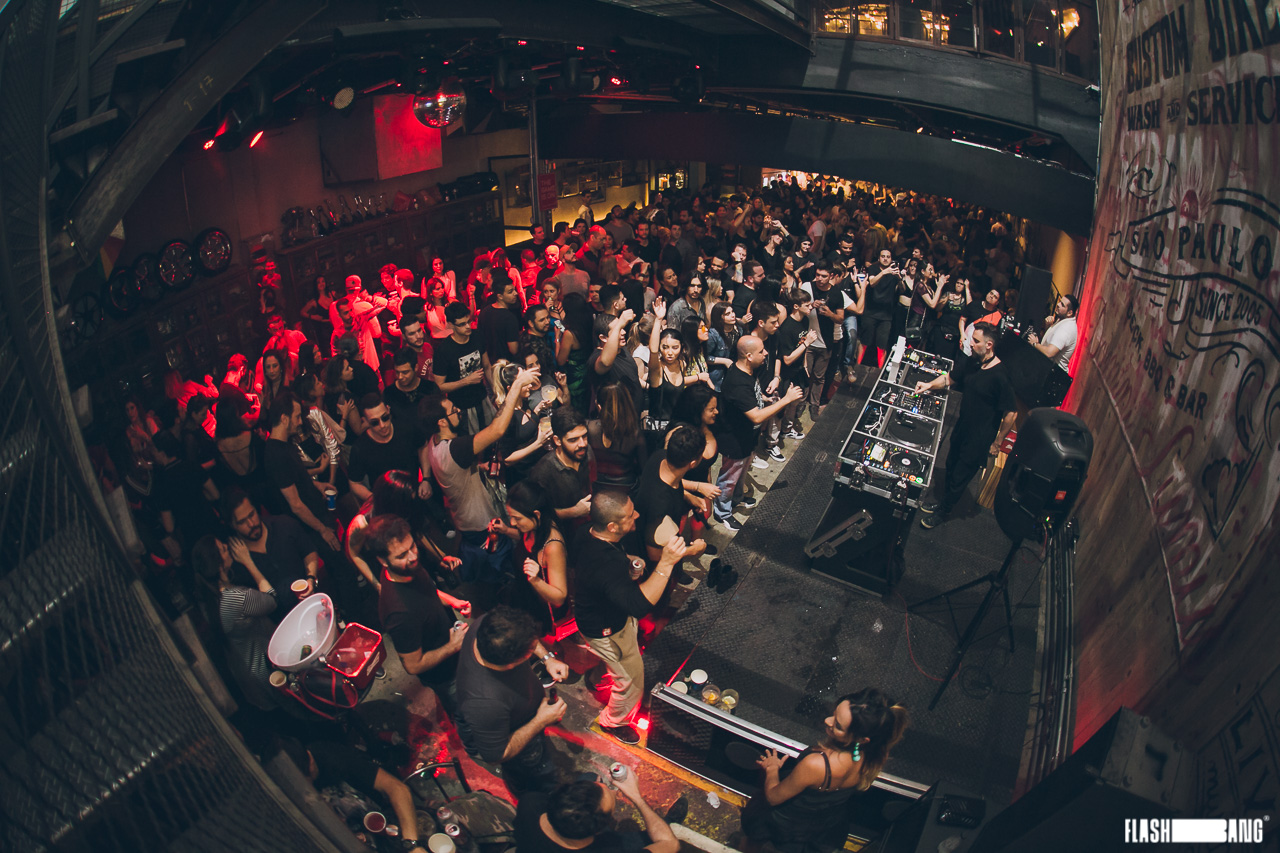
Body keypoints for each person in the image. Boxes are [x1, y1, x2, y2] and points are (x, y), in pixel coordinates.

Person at [571, 491, 689, 744]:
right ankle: (615, 722)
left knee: (616, 662)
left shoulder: (586, 533)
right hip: (605, 628)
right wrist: (667, 563)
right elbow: (638, 605)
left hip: (594, 615)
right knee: (632, 680)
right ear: (612, 527)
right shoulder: (608, 564)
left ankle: (600, 677)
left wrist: (626, 560)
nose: (636, 515)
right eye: (629, 515)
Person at [743, 689, 909, 853]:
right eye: (834, 713)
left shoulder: (817, 764)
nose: (827, 720)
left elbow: (773, 798)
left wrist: (772, 768)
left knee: (753, 837)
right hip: (824, 823)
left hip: (788, 819)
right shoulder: (876, 754)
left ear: (861, 739)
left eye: (838, 725)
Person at [419, 368, 538, 581]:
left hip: (463, 518)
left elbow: (452, 468)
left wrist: (478, 468)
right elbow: (497, 430)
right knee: (499, 566)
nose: (459, 411)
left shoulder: (434, 442)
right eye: (453, 410)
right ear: (441, 422)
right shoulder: (456, 448)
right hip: (480, 521)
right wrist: (517, 385)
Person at [369, 514, 473, 734]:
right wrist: (452, 646)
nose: (413, 556)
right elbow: (413, 665)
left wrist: (452, 601)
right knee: (463, 712)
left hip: (452, 650)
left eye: (412, 547)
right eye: (402, 555)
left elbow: (427, 590)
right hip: (444, 674)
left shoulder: (405, 569)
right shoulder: (399, 614)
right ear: (383, 561)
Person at [914, 322, 1018, 528]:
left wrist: (998, 442)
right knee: (951, 465)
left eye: (976, 341)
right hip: (962, 427)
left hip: (979, 438)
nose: (971, 343)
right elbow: (949, 379)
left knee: (960, 476)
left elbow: (1012, 413)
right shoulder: (973, 362)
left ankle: (944, 511)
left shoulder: (1000, 376)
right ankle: (943, 502)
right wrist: (929, 385)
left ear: (989, 345)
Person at [455, 605, 569, 792]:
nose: (534, 649)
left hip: (522, 714)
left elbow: (526, 637)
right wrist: (540, 720)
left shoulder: (489, 626)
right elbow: (496, 754)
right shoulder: (485, 703)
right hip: (517, 739)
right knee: (539, 777)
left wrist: (548, 658)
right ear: (512, 663)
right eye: (531, 651)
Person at [713, 337, 805, 532]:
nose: (766, 354)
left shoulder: (748, 371)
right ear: (748, 356)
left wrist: (764, 398)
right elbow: (755, 416)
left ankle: (737, 499)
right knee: (729, 478)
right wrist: (786, 400)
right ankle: (722, 512)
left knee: (741, 473)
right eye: (761, 351)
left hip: (747, 437)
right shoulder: (737, 382)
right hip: (734, 441)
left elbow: (751, 395)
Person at [279, 739, 428, 853]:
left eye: (307, 782)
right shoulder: (290, 788)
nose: (307, 789)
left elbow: (397, 788)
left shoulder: (329, 755)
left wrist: (412, 845)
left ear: (310, 760)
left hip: (386, 824)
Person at [191, 534, 281, 711]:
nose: (228, 547)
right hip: (265, 674)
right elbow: (272, 600)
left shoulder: (208, 600)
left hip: (247, 677)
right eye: (224, 550)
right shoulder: (234, 598)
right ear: (219, 566)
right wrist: (248, 562)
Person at [515, 774, 681, 853]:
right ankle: (668, 823)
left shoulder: (530, 803)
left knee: (588, 776)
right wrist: (636, 797)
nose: (609, 788)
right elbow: (670, 844)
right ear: (600, 831)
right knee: (650, 838)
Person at [262, 393, 342, 551]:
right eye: (297, 417)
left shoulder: (287, 444)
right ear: (284, 419)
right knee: (337, 559)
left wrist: (317, 485)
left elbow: (296, 478)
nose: (300, 422)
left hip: (318, 512)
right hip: (311, 526)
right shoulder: (276, 454)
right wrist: (322, 530)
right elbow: (296, 505)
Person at [224, 487, 322, 599]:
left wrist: (311, 578)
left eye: (251, 514)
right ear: (232, 525)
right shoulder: (236, 561)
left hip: (311, 599)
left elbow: (309, 551)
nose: (251, 524)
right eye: (242, 522)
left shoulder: (284, 524)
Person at [347, 393, 425, 502]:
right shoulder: (360, 448)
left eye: (385, 418)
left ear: (388, 410)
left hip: (415, 494)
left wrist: (426, 479)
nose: (382, 425)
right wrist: (374, 499)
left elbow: (423, 447)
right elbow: (355, 483)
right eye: (375, 422)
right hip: (386, 502)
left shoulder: (406, 428)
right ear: (365, 421)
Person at [528, 406, 592, 526]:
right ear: (557, 441)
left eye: (584, 436)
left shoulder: (587, 452)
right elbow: (538, 514)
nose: (582, 444)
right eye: (573, 440)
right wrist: (574, 511)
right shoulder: (543, 472)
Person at [432, 302, 487, 432]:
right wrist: (467, 381)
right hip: (461, 405)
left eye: (468, 322)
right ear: (451, 325)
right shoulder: (444, 350)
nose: (468, 326)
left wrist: (495, 390)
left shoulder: (477, 336)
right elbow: (440, 386)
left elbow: (487, 366)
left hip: (482, 398)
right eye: (462, 324)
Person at [586, 382, 646, 494]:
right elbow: (644, 469)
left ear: (599, 407)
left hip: (596, 487)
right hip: (626, 489)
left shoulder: (590, 428)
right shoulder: (635, 433)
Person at [1026, 293, 1078, 370]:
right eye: (1060, 301)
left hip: (1052, 373)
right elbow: (1051, 343)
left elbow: (1049, 352)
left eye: (1062, 305)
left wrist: (1034, 344)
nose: (1058, 305)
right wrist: (1048, 327)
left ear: (1069, 313)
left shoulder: (1066, 328)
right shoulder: (1063, 320)